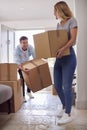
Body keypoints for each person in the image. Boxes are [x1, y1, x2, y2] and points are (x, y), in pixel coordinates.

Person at [54, 1, 78, 125]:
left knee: (67, 87)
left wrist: (62, 49)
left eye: (55, 11)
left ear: (60, 10)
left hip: (69, 58)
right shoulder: (59, 24)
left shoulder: (72, 21)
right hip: (59, 59)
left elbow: (73, 40)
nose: (54, 13)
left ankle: (68, 113)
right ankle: (64, 106)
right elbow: (57, 42)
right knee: (57, 85)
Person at [14, 36, 35, 102]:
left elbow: (35, 56)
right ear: (20, 43)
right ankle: (23, 96)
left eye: (26, 42)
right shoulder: (17, 50)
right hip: (20, 65)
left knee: (29, 79)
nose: (25, 44)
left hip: (27, 64)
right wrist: (22, 69)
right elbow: (17, 62)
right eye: (23, 43)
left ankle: (28, 92)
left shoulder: (30, 47)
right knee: (22, 80)